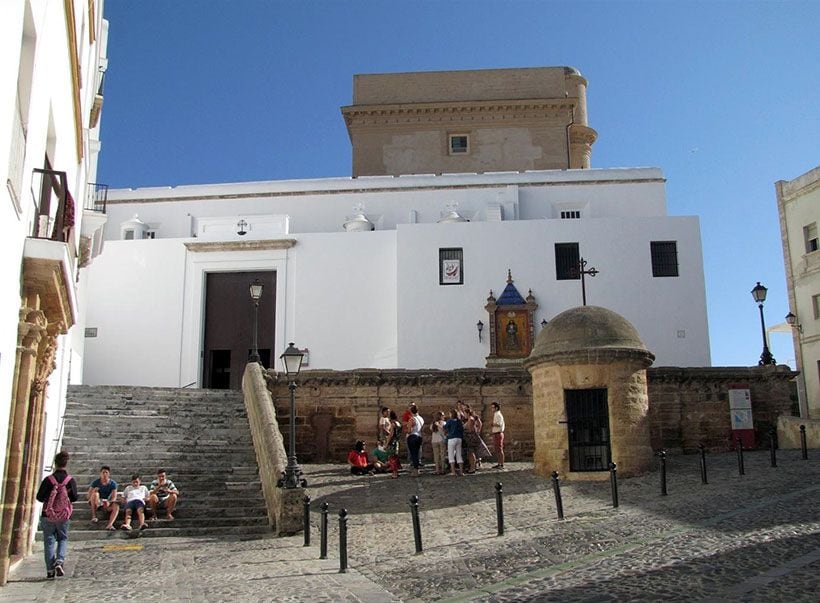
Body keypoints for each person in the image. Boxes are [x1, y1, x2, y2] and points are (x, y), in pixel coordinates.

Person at [36, 450, 78, 579]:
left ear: (55, 463)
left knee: (49, 542)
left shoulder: (49, 480)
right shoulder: (69, 480)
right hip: (63, 516)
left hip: (48, 515)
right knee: (63, 538)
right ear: (66, 464)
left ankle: (50, 571)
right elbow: (75, 497)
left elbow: (39, 497)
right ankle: (59, 561)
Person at [87, 465, 119, 530]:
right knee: (95, 494)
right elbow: (88, 496)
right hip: (96, 501)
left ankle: (110, 524)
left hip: (106, 502)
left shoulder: (113, 483)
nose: (104, 474)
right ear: (100, 473)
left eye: (106, 472)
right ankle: (94, 516)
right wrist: (94, 491)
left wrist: (109, 502)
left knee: (116, 506)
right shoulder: (96, 482)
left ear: (109, 474)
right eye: (103, 472)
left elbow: (114, 497)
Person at [443, 409, 464, 476]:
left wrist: (438, 425)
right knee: (459, 455)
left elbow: (444, 427)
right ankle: (461, 472)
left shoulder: (450, 421)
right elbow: (462, 429)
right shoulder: (459, 421)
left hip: (451, 438)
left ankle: (453, 472)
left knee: (451, 455)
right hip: (459, 438)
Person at [405, 404, 424, 475]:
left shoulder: (412, 419)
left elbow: (409, 430)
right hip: (419, 436)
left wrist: (406, 430)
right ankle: (417, 469)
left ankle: (415, 470)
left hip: (412, 436)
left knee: (413, 454)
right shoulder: (421, 418)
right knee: (417, 453)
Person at [386, 410, 403, 478]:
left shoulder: (393, 424)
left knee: (392, 458)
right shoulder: (398, 423)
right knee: (395, 457)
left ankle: (394, 473)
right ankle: (396, 472)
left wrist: (386, 443)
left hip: (392, 442)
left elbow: (391, 435)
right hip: (397, 441)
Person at [491, 401, 506, 469]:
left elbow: (499, 424)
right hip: (495, 433)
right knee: (497, 449)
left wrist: (493, 424)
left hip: (498, 433)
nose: (492, 409)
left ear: (496, 408)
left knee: (500, 449)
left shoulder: (498, 415)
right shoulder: (496, 414)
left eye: (493, 407)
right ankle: (499, 463)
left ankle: (502, 464)